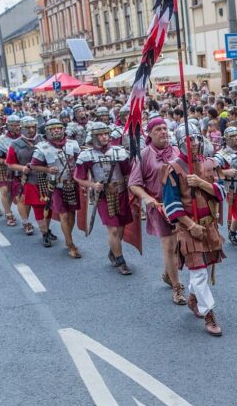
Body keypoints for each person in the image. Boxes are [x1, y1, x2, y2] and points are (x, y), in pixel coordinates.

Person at [161, 119, 226, 336]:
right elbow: (171, 205)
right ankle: (209, 314)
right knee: (199, 273)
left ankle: (192, 298)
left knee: (203, 270)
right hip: (189, 228)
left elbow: (221, 192)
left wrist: (201, 183)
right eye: (189, 140)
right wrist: (190, 225)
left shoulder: (209, 163)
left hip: (209, 225)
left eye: (197, 139)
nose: (195, 143)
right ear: (180, 142)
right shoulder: (173, 168)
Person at [128, 117, 187, 306]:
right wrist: (147, 198)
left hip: (179, 204)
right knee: (169, 247)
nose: (163, 132)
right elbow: (133, 184)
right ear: (150, 134)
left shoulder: (177, 151)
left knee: (180, 245)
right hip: (159, 206)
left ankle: (168, 274)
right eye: (158, 129)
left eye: (164, 128)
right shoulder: (143, 155)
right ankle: (177, 288)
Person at [74, 122, 135, 275]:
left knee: (121, 227)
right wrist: (93, 185)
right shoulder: (86, 155)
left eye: (106, 134)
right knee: (113, 228)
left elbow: (129, 172)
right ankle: (121, 261)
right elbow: (78, 177)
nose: (104, 137)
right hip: (103, 196)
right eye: (100, 134)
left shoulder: (120, 152)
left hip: (121, 192)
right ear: (94, 137)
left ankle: (113, 252)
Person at [29, 118, 82, 257]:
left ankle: (68, 238)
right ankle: (70, 244)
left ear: (63, 129)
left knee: (72, 214)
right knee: (64, 215)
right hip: (56, 185)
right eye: (53, 129)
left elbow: (80, 162)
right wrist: (47, 169)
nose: (56, 130)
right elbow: (33, 165)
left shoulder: (73, 144)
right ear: (48, 131)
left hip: (72, 183)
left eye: (58, 128)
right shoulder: (42, 147)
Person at [4, 116, 41, 236]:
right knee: (22, 199)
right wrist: (22, 168)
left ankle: (43, 226)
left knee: (39, 201)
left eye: (33, 127)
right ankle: (26, 222)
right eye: (28, 128)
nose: (31, 130)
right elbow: (9, 164)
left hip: (40, 176)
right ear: (22, 128)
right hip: (21, 177)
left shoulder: (41, 139)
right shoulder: (15, 144)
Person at [0, 114, 22, 227]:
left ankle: (21, 216)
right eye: (12, 125)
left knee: (17, 193)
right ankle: (8, 214)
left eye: (17, 125)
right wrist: (6, 162)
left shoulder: (24, 138)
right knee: (5, 191)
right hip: (4, 168)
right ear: (7, 126)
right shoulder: (1, 140)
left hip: (20, 168)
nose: (15, 127)